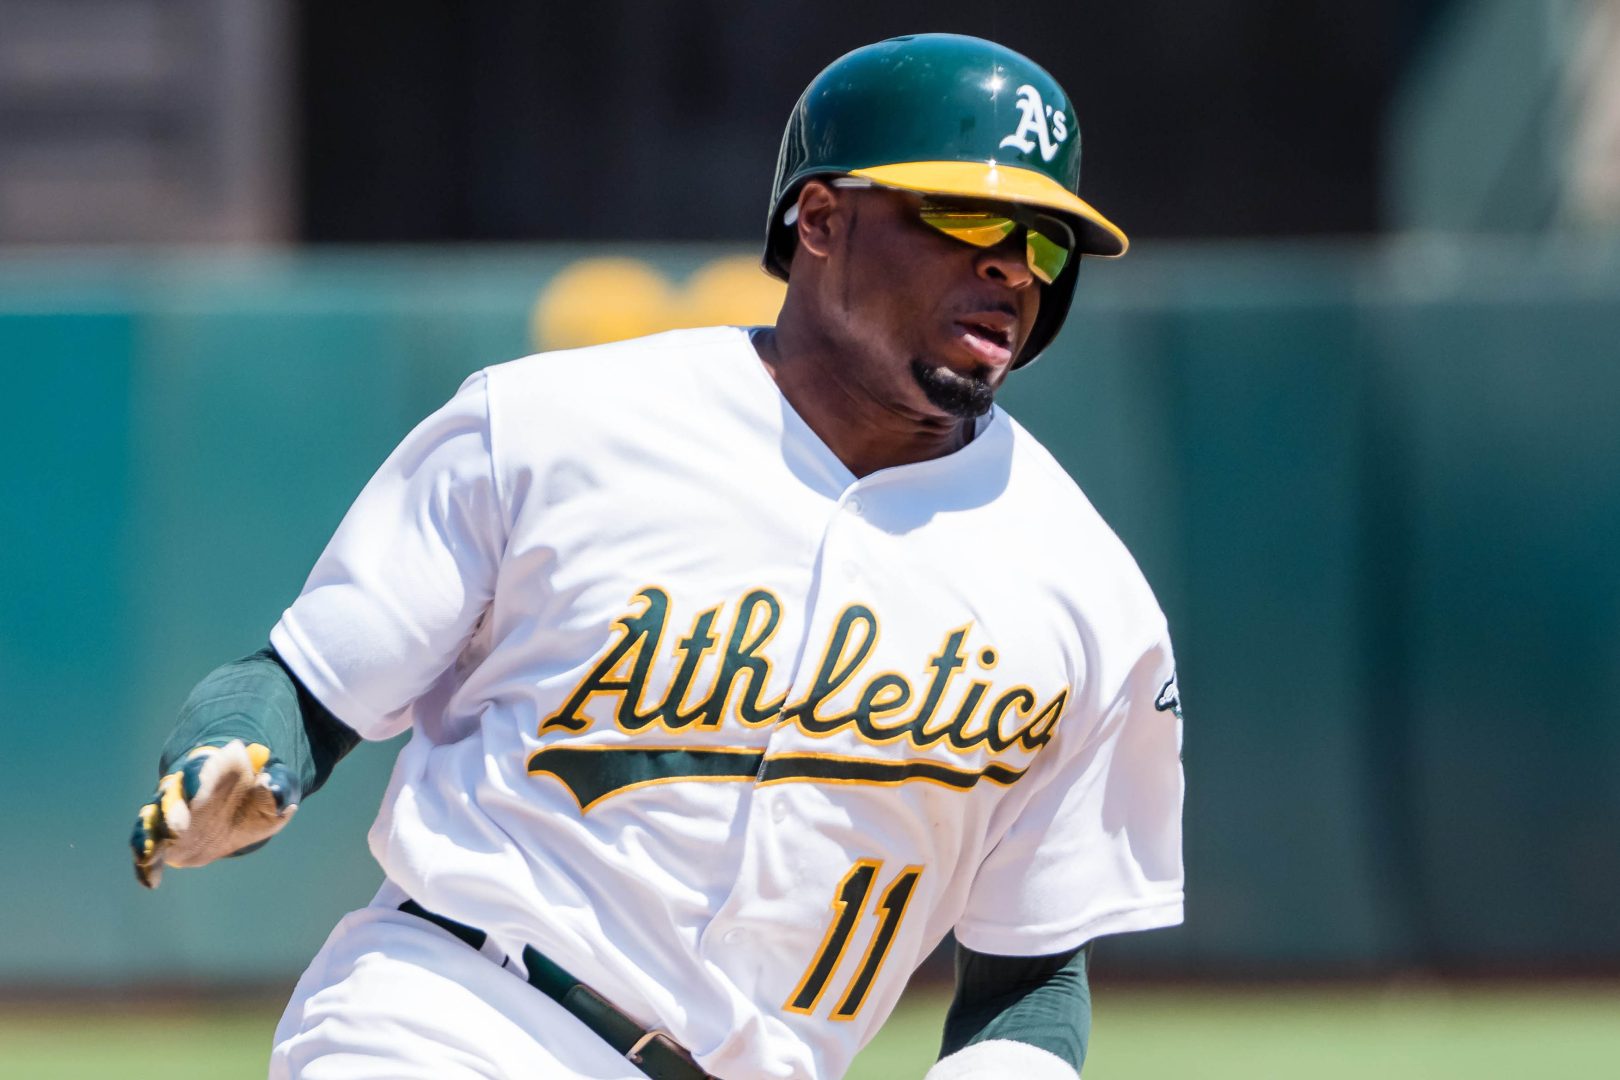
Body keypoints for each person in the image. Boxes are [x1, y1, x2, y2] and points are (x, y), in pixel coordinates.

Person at [130, 33, 1184, 1080]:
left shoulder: (1085, 591)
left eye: (1045, 240)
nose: (1011, 264)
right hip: (454, 1016)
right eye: (964, 215)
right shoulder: (555, 426)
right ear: (819, 219)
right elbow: (303, 690)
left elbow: (1032, 976)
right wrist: (232, 759)